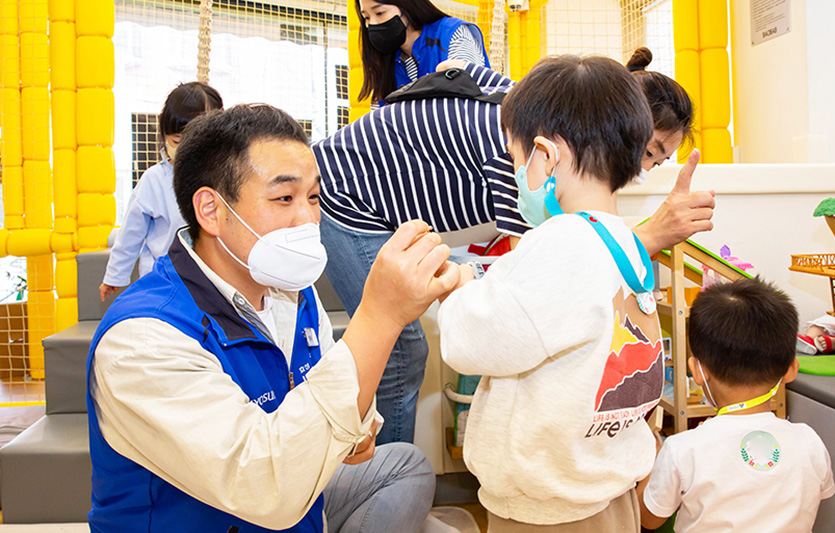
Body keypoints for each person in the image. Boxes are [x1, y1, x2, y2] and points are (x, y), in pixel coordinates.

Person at [86, 104, 461, 532]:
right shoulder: (143, 340)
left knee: (406, 465)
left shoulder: (293, 293)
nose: (308, 219)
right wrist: (381, 314)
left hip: (299, 500)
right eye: (284, 198)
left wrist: (360, 425)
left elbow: (337, 395)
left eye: (314, 198)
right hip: (249, 504)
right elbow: (263, 487)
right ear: (211, 210)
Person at [313, 57, 712, 444]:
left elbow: (460, 68)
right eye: (647, 151)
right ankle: (383, 479)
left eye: (658, 162)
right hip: (345, 198)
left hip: (369, 200)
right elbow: (540, 276)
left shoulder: (526, 109)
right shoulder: (520, 151)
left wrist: (466, 279)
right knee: (401, 350)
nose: (641, 170)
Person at [438, 54, 663, 531]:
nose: (517, 171)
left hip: (550, 512)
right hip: (605, 490)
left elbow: (473, 342)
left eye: (516, 158)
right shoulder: (620, 237)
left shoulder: (561, 242)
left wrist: (457, 288)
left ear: (545, 154)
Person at [639, 278, 834, 532]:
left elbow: (649, 518)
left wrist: (649, 463)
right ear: (790, 371)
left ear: (697, 371)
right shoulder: (810, 441)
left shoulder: (682, 449)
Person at [99, 82, 223, 302]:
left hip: (214, 282)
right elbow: (131, 233)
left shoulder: (224, 178)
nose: (186, 150)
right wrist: (115, 276)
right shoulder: (154, 180)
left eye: (198, 141)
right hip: (165, 283)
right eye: (177, 141)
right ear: (165, 138)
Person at [356, 0, 489, 104]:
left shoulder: (452, 34)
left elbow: (469, 94)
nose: (373, 23)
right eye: (366, 18)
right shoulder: (386, 64)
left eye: (380, 13)